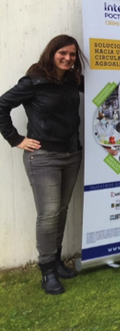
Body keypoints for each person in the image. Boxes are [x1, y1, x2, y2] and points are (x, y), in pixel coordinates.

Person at [0, 35, 86, 294]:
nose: (68, 58)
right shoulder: (34, 81)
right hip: (43, 157)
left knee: (61, 210)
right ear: (52, 52)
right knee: (48, 214)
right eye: (63, 53)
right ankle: (47, 270)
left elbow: (104, 88)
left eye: (72, 54)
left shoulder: (73, 80)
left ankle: (57, 261)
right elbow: (2, 105)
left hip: (71, 154)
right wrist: (16, 139)